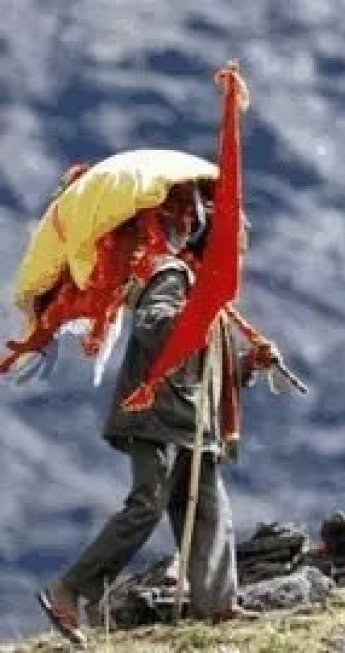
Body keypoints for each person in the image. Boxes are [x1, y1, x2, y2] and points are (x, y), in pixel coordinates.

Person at [36, 183, 276, 645]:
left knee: (210, 510)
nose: (239, 259)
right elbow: (154, 328)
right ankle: (68, 591)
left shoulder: (212, 297)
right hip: (155, 417)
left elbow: (209, 369)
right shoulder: (174, 278)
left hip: (192, 424)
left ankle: (218, 605)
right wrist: (199, 318)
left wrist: (248, 365)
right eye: (235, 247)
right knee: (147, 504)